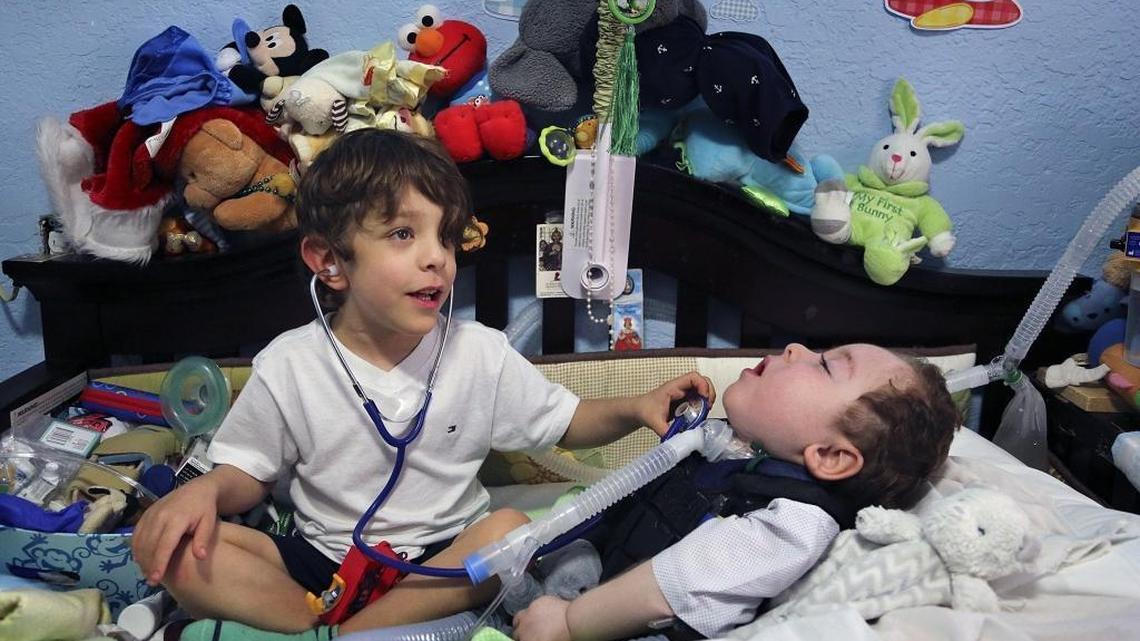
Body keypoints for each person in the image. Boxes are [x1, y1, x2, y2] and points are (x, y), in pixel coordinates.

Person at [131, 130, 712, 641]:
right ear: (330, 262)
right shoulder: (290, 364)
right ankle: (320, 629)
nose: (437, 257)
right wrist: (203, 492)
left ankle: (340, 638)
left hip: (440, 563)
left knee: (508, 532)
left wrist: (638, 406)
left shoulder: (478, 353)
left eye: (447, 237)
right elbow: (245, 473)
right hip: (320, 565)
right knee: (173, 549)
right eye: (404, 234)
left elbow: (567, 422)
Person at [513, 343, 959, 641]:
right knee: (504, 529)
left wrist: (569, 624)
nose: (795, 348)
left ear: (829, 455)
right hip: (594, 577)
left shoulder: (794, 524)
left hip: (625, 623)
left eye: (824, 365)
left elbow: (668, 585)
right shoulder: (732, 451)